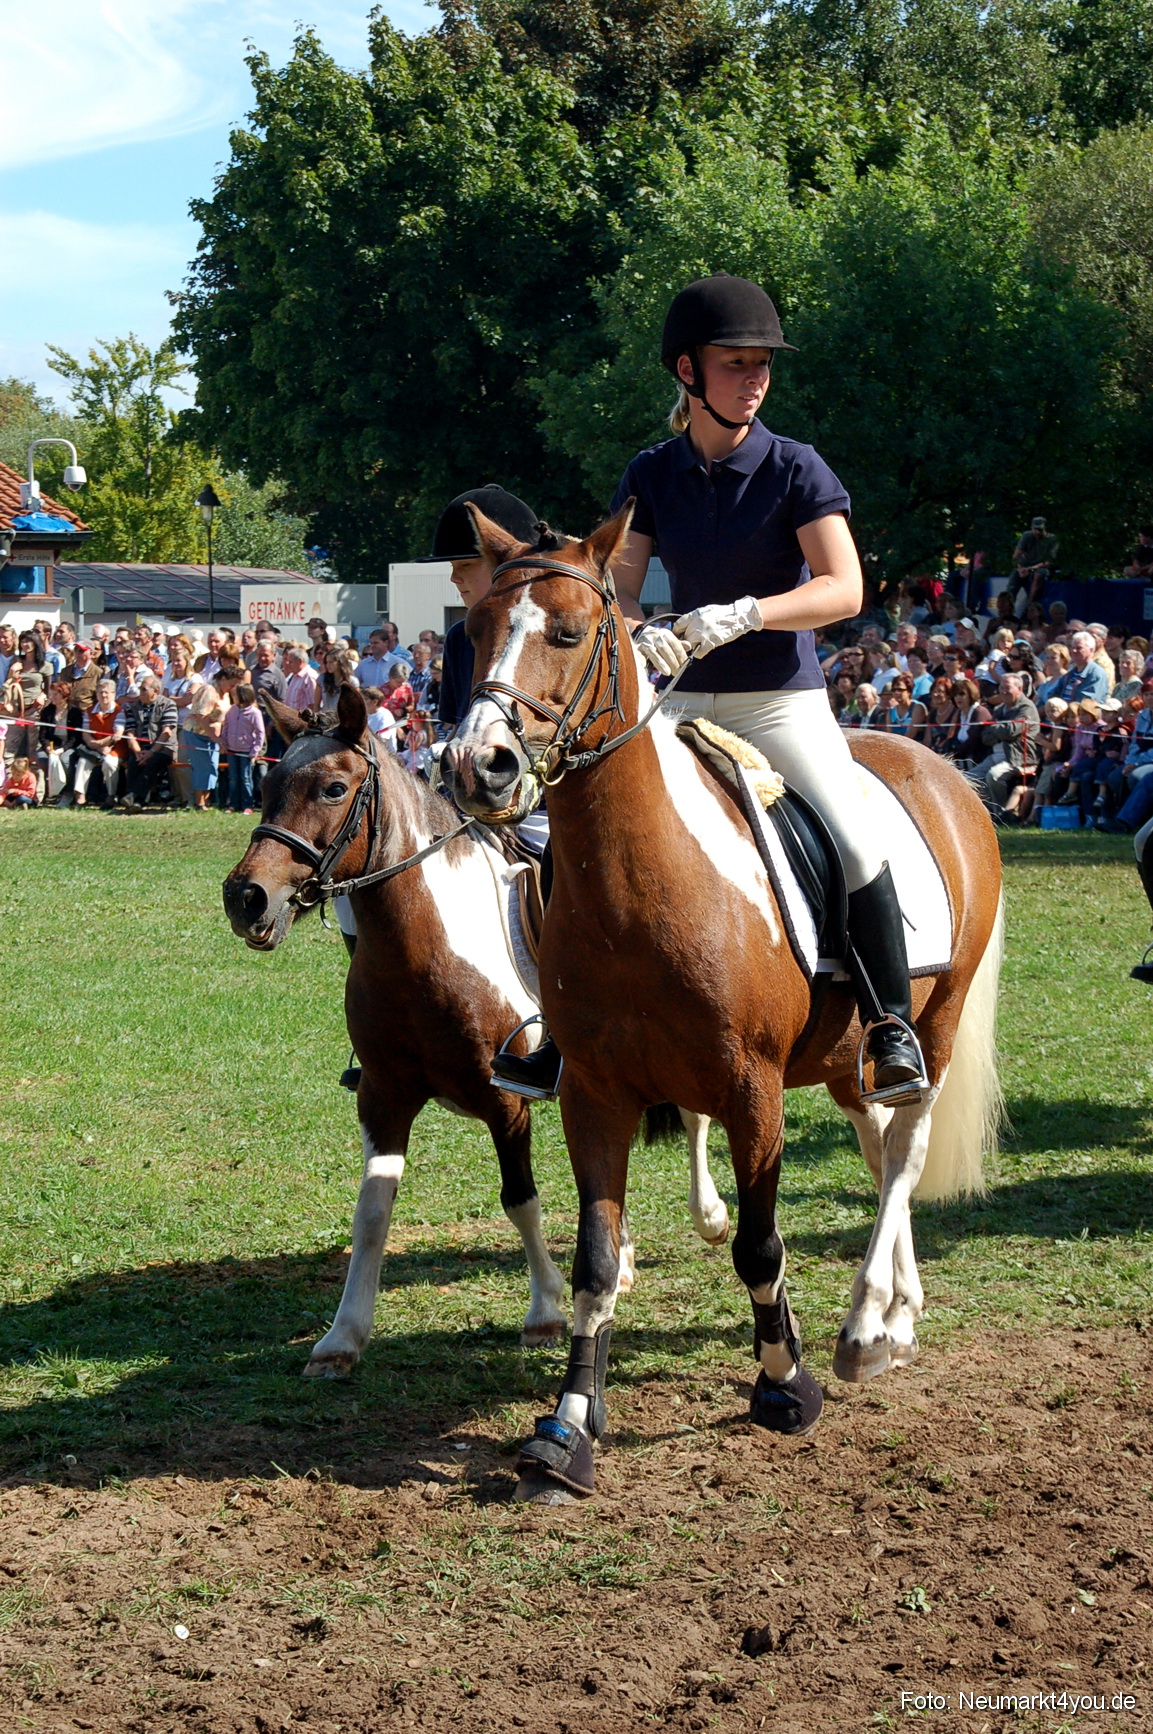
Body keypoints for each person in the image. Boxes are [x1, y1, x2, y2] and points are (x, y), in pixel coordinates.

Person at [500, 273, 932, 1102]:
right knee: (569, 838)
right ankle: (563, 1029)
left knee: (849, 836)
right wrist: (637, 631)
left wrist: (743, 613)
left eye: (762, 363)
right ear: (688, 373)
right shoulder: (652, 472)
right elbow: (616, 585)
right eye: (737, 362)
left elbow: (843, 588)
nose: (756, 377)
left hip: (778, 698)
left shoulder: (797, 468)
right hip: (679, 698)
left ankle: (888, 1027)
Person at [965, 671, 1040, 818]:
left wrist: (996, 729)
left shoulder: (1026, 708)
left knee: (994, 776)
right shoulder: (1000, 709)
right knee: (969, 778)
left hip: (1017, 757)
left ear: (1019, 689)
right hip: (996, 755)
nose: (1003, 692)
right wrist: (999, 729)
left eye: (1008, 688)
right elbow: (985, 736)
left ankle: (1004, 812)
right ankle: (989, 811)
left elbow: (1011, 731)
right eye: (1001, 688)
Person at [120, 675, 179, 808]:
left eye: (144, 689)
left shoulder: (168, 705)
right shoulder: (133, 707)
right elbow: (130, 732)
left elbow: (166, 733)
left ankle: (134, 796)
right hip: (141, 749)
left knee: (152, 762)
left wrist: (152, 752)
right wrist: (138, 752)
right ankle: (137, 801)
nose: (140, 692)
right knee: (133, 762)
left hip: (164, 749)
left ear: (155, 691)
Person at [220, 682, 265, 812]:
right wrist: (224, 740)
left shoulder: (254, 713)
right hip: (232, 750)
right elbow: (226, 726)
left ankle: (248, 805)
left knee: (246, 778)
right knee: (233, 778)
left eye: (236, 694)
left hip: (246, 752)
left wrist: (255, 751)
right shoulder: (232, 710)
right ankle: (233, 804)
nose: (233, 696)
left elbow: (260, 733)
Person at [1054, 631, 1111, 705]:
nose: (1074, 651)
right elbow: (1054, 695)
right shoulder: (1069, 674)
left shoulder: (1096, 674)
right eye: (1073, 647)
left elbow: (1088, 703)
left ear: (1091, 650)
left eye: (1079, 648)